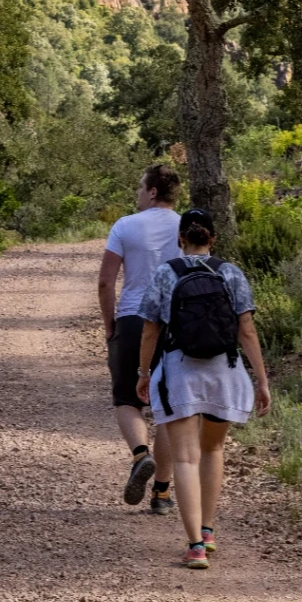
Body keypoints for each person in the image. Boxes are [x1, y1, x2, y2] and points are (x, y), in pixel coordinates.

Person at [135, 207, 271, 570]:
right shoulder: (231, 273)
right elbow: (247, 330)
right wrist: (261, 379)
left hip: (180, 372)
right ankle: (208, 532)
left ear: (181, 238)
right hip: (224, 372)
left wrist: (143, 372)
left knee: (184, 458)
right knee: (213, 449)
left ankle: (194, 546)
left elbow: (150, 330)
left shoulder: (167, 272)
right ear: (213, 238)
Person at [98, 164, 181, 512]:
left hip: (133, 319)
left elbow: (105, 282)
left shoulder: (126, 226)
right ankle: (162, 493)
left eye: (139, 188)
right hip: (177, 324)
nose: (136, 193)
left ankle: (139, 455)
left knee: (127, 399)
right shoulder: (186, 225)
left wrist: (110, 325)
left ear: (151, 192)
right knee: (169, 410)